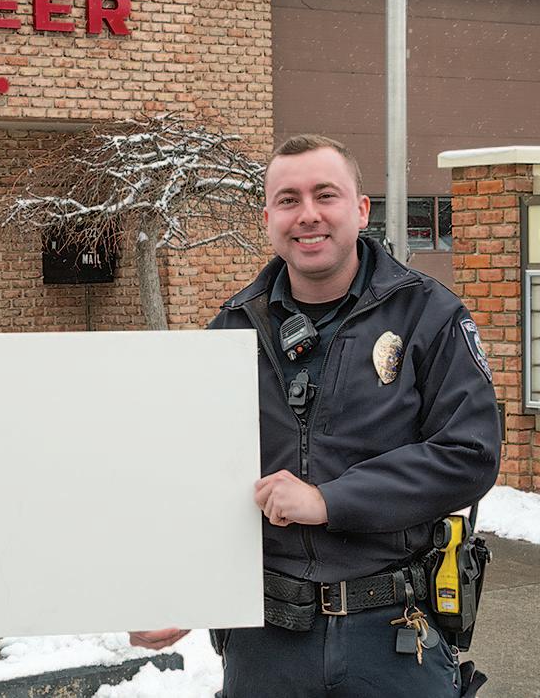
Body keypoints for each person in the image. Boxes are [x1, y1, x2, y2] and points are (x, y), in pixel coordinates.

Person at [131, 135, 501, 697]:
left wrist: (330, 500)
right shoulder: (232, 329)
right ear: (267, 219)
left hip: (395, 636)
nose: (307, 215)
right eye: (288, 200)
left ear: (361, 209)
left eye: (325, 195)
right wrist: (179, 586)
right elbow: (188, 474)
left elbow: (469, 454)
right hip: (265, 645)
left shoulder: (429, 315)